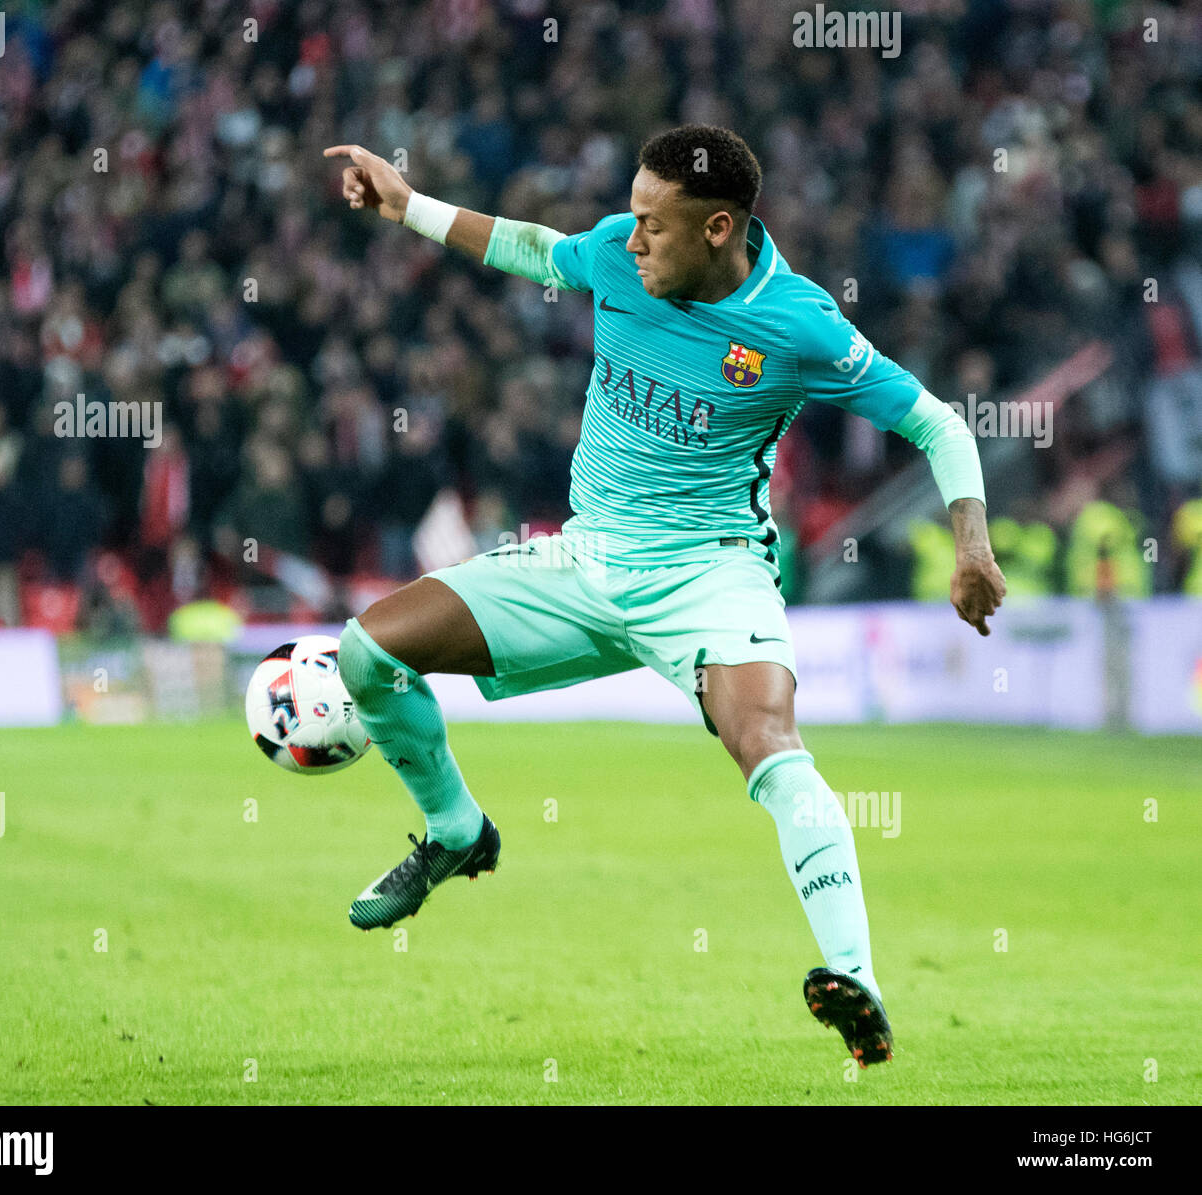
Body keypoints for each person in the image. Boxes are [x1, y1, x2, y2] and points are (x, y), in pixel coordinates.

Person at [325, 125, 1007, 1067]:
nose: (631, 236)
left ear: (719, 228)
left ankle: (857, 981)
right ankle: (456, 829)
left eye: (653, 222)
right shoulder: (614, 251)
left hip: (709, 573)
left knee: (768, 745)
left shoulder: (798, 323)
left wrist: (972, 542)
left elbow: (934, 421)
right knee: (367, 652)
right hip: (582, 560)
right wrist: (408, 206)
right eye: (633, 214)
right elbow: (533, 248)